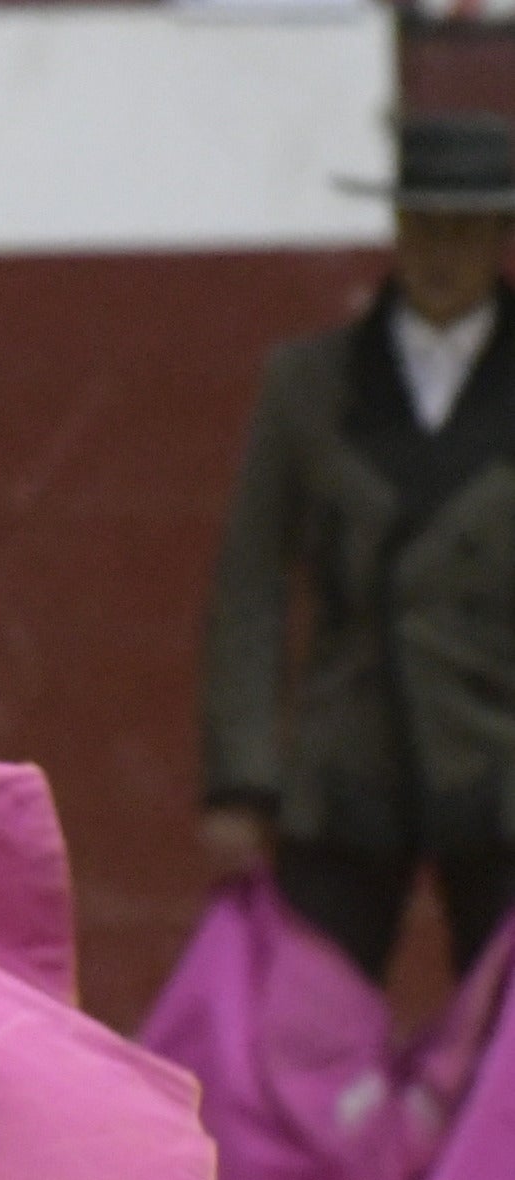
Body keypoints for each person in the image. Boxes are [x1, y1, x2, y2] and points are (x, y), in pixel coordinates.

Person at [203, 111, 515, 987]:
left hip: (500, 763)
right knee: (305, 1040)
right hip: (349, 763)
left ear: (501, 238)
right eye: (423, 227)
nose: (441, 253)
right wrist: (241, 782)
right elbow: (251, 587)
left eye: (464, 229)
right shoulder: (307, 384)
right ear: (396, 231)